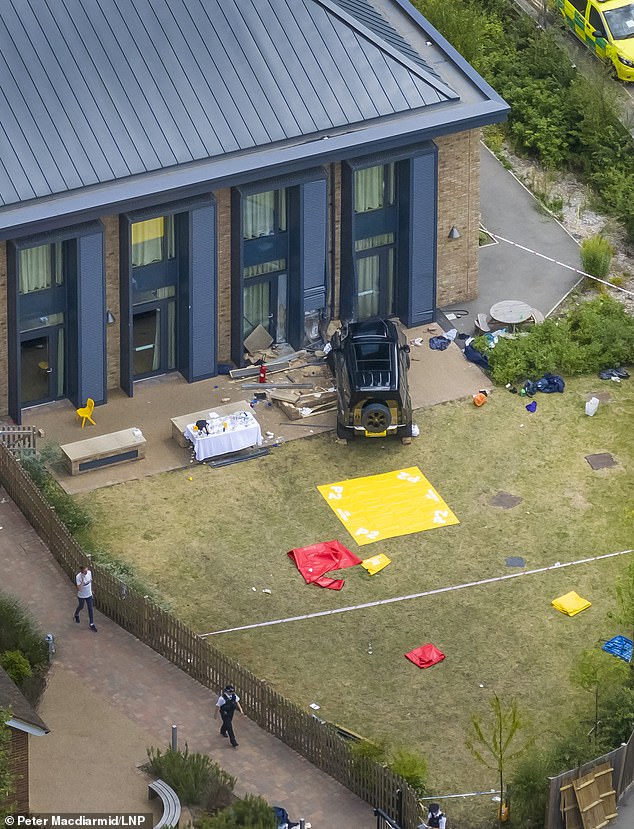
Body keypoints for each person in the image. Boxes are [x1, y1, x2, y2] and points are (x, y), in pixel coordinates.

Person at [74, 564, 97, 632]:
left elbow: (90, 582)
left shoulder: (89, 573)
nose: (86, 572)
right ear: (81, 571)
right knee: (81, 606)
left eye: (86, 570)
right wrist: (83, 580)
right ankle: (76, 614)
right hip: (82, 595)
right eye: (84, 571)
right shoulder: (78, 577)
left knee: (90, 608)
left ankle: (91, 624)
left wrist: (91, 591)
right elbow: (79, 589)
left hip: (88, 594)